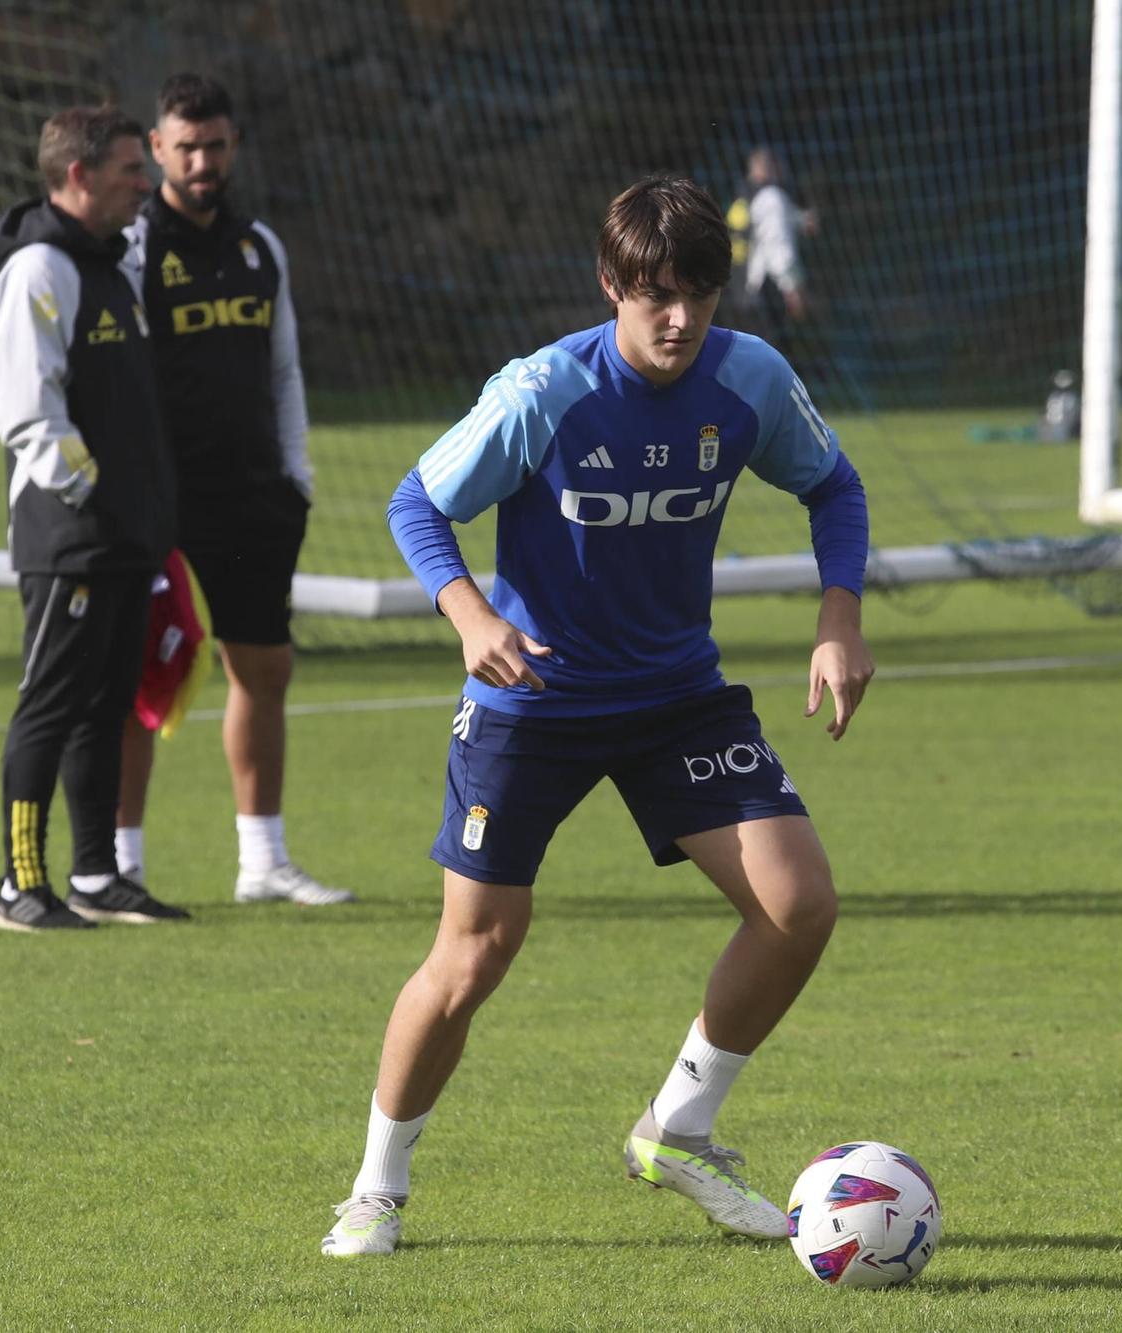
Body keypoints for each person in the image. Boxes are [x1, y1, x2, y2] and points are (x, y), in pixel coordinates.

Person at [321, 175, 874, 1257]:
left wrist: (837, 617)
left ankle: (679, 1129)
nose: (678, 319)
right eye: (656, 295)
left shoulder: (748, 377)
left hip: (675, 697)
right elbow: (416, 501)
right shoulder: (544, 390)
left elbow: (833, 486)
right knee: (475, 951)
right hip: (533, 696)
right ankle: (375, 1190)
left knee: (798, 902)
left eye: (699, 296)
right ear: (610, 285)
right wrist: (469, 613)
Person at [116, 74, 353, 907]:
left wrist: (297, 472)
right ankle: (119, 862)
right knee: (136, 672)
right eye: (187, 146)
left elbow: (283, 369)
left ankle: (263, 860)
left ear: (234, 144)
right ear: (156, 149)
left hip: (255, 495)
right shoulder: (135, 248)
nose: (203, 161)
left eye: (215, 144)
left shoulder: (261, 247)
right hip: (165, 503)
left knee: (264, 668)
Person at [0, 106, 188, 931]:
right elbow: (26, 410)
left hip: (121, 537)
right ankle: (18, 885)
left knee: (106, 704)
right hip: (70, 537)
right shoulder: (40, 268)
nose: (148, 184)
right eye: (133, 170)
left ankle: (96, 874)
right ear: (78, 175)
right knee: (51, 702)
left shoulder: (110, 265)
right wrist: (98, 495)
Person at [740, 146, 818, 340]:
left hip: (746, 288)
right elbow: (778, 243)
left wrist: (801, 219)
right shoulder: (773, 197)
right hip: (771, 288)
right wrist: (791, 287)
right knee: (776, 356)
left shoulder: (745, 198)